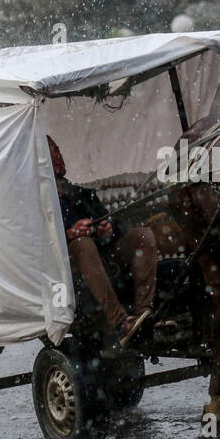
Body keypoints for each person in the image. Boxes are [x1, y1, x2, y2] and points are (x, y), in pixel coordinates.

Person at [49, 136, 156, 344]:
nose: (58, 156)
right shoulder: (38, 200)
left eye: (58, 150)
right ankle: (120, 323)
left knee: (143, 235)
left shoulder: (79, 193)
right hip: (66, 270)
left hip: (101, 260)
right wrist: (69, 234)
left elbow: (109, 221)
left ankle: (144, 313)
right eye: (51, 153)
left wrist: (108, 230)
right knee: (82, 244)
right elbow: (39, 240)